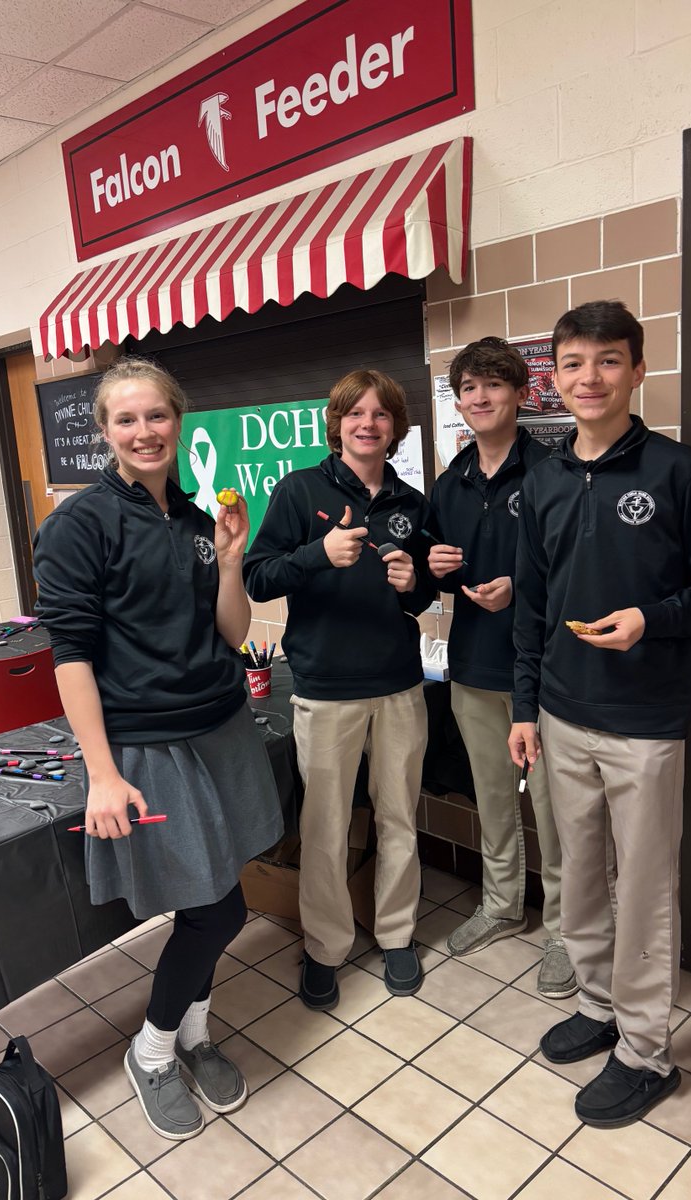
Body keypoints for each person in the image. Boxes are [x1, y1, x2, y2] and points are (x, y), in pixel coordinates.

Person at [508, 301, 691, 1128]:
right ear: (556, 375)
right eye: (573, 363)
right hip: (563, 716)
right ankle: (600, 1005)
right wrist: (524, 707)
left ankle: (647, 1053)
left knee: (643, 891)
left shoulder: (679, 472)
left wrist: (653, 618)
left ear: (638, 370)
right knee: (577, 879)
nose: (589, 379)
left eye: (608, 361)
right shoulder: (540, 478)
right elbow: (531, 606)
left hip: (646, 721)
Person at [33, 357, 283, 1142]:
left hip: (220, 728)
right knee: (217, 912)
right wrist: (101, 774)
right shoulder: (78, 525)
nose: (145, 432)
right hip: (147, 747)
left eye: (158, 417)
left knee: (221, 895)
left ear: (180, 422)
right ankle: (153, 1051)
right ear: (105, 432)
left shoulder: (192, 517)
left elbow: (235, 635)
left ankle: (196, 1033)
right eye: (126, 419)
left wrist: (232, 554)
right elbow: (69, 653)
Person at [243, 369, 436, 1008]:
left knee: (399, 816)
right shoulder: (300, 492)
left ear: (394, 428)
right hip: (325, 687)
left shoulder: (411, 502)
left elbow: (425, 592)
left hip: (399, 684)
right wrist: (319, 554)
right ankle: (325, 947)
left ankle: (398, 934)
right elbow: (258, 578)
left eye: (381, 415)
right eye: (357, 413)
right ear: (338, 423)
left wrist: (416, 585)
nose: (368, 424)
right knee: (324, 825)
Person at [428, 337, 574, 999]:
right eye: (469, 388)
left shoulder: (555, 470)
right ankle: (502, 902)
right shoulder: (449, 481)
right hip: (471, 665)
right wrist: (430, 570)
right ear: (458, 402)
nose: (480, 398)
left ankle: (568, 931)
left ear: (521, 393)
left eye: (493, 385)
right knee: (493, 799)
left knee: (558, 807)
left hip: (544, 672)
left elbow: (579, 569)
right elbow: (434, 564)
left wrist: (521, 586)